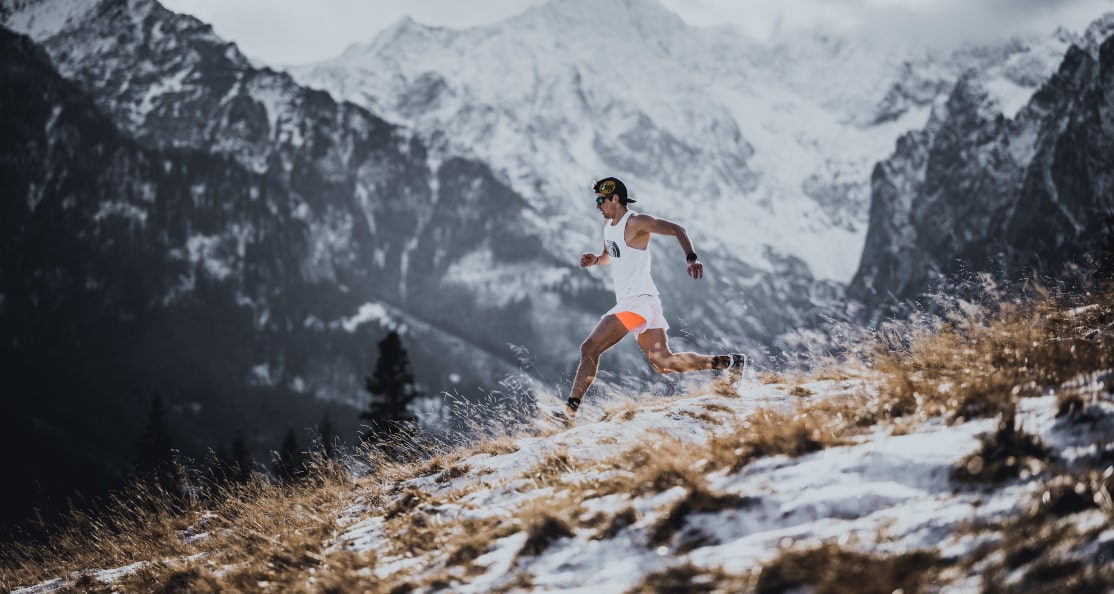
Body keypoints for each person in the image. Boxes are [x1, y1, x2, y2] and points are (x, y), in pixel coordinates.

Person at [552, 176, 747, 425]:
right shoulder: (609, 226)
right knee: (664, 362)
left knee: (589, 348)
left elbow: (678, 229)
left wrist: (691, 258)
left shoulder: (636, 222)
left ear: (615, 199)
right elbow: (610, 255)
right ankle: (730, 363)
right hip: (646, 302)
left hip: (636, 302)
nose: (597, 205)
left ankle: (568, 415)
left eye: (601, 200)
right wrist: (595, 260)